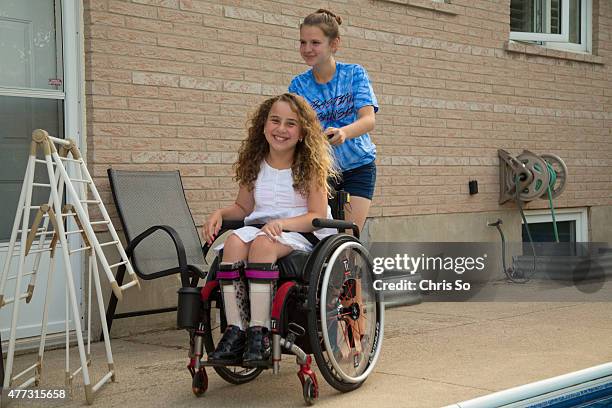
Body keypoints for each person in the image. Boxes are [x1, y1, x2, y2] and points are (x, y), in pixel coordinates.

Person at [202, 93, 337, 366]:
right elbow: (243, 208)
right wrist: (220, 213)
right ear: (264, 125)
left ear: (301, 133)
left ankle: (259, 332)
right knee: (234, 243)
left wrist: (283, 224)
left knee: (263, 243)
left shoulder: (309, 166)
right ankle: (236, 329)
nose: (281, 129)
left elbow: (317, 215)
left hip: (303, 231)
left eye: (291, 124)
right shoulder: (255, 164)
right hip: (265, 229)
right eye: (275, 121)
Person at [289, 9, 378, 234]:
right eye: (303, 42)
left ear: (334, 44)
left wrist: (344, 132)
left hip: (358, 167)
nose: (307, 49)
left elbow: (368, 120)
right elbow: (297, 129)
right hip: (320, 170)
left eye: (315, 42)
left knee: (348, 236)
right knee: (319, 235)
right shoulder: (298, 86)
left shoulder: (354, 74)